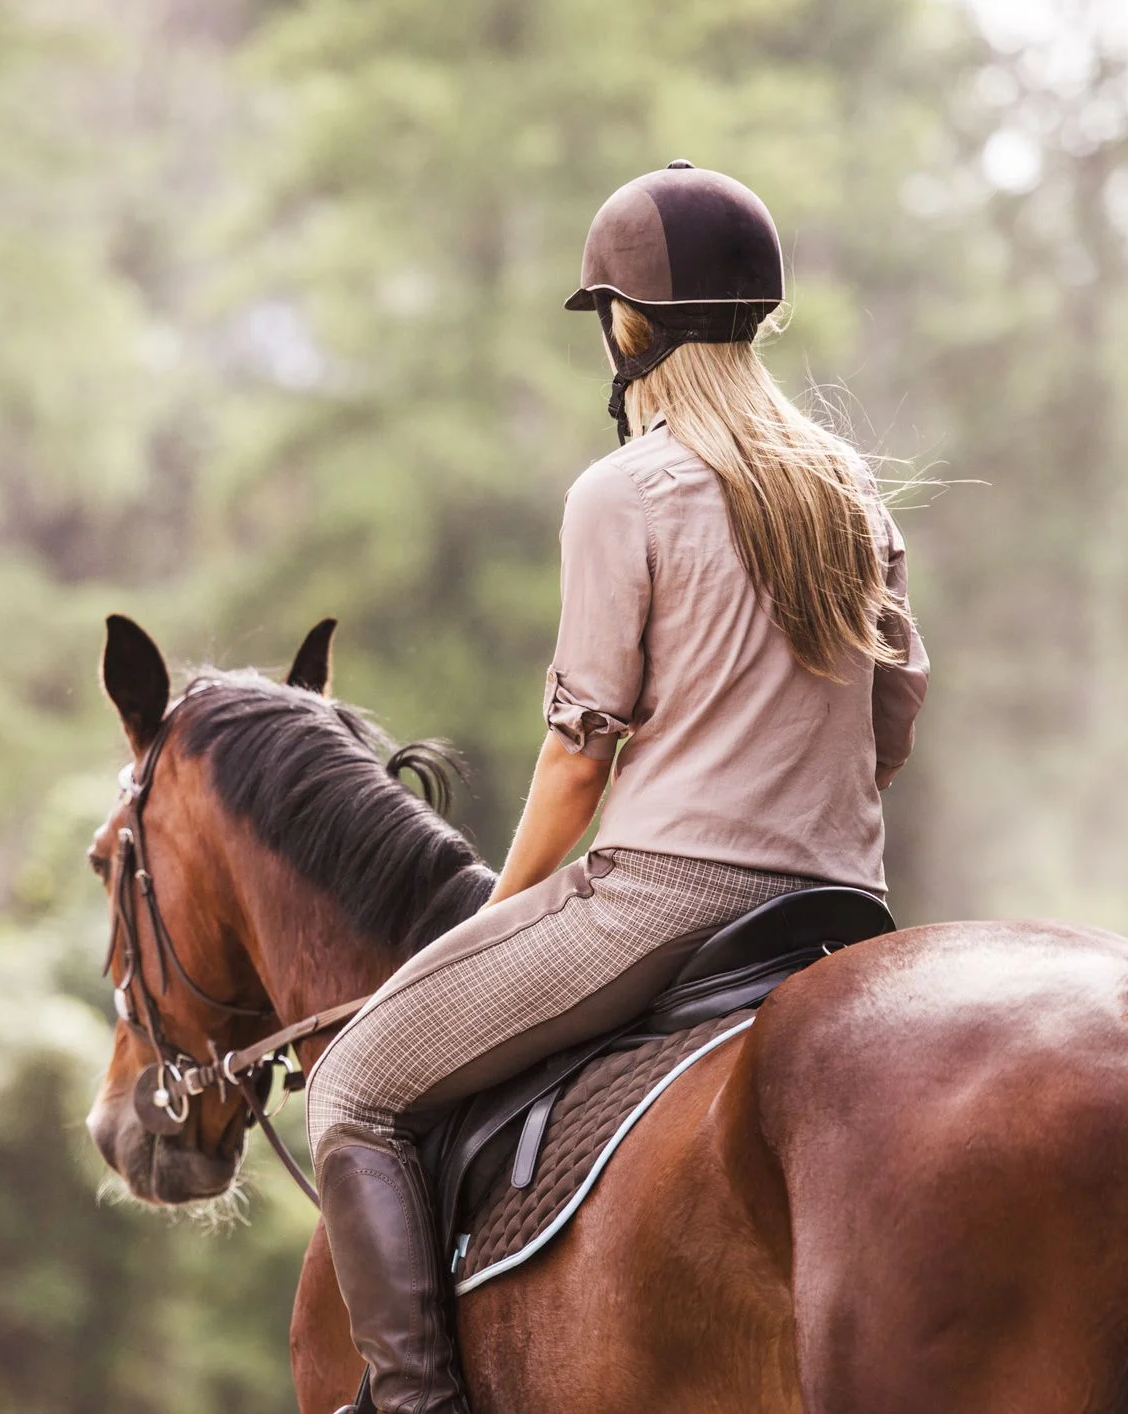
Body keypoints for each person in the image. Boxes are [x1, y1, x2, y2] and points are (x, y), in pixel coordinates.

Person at [304, 160, 930, 1414]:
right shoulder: (844, 493)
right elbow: (892, 716)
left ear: (626, 323)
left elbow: (580, 753)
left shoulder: (623, 492)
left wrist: (496, 917)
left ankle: (416, 1402)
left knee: (352, 1087)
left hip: (661, 900)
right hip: (840, 903)